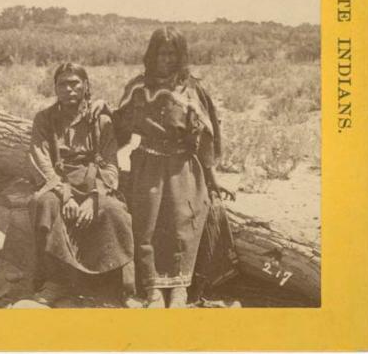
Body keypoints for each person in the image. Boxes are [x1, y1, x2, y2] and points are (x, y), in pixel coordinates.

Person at [113, 27, 238, 308]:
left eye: (172, 53)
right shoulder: (137, 87)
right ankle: (153, 289)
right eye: (161, 53)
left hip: (184, 167)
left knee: (184, 222)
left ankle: (180, 288)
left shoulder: (192, 89)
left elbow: (205, 137)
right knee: (146, 223)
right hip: (146, 163)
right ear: (151, 55)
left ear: (180, 56)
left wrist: (212, 178)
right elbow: (117, 128)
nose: (166, 59)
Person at [26, 62, 135, 307]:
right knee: (43, 204)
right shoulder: (44, 119)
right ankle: (56, 282)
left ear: (86, 86)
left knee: (114, 211)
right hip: (59, 181)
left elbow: (110, 164)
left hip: (95, 182)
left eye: (75, 83)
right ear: (55, 88)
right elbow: (39, 157)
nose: (69, 89)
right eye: (62, 84)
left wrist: (94, 197)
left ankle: (122, 286)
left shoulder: (100, 120)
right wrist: (64, 193)